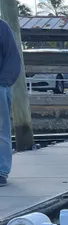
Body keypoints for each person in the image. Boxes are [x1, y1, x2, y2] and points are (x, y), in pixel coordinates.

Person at [0, 18, 22, 186]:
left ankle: (1, 171)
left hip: (0, 86)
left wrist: (2, 83)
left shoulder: (2, 27)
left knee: (1, 131)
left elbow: (13, 58)